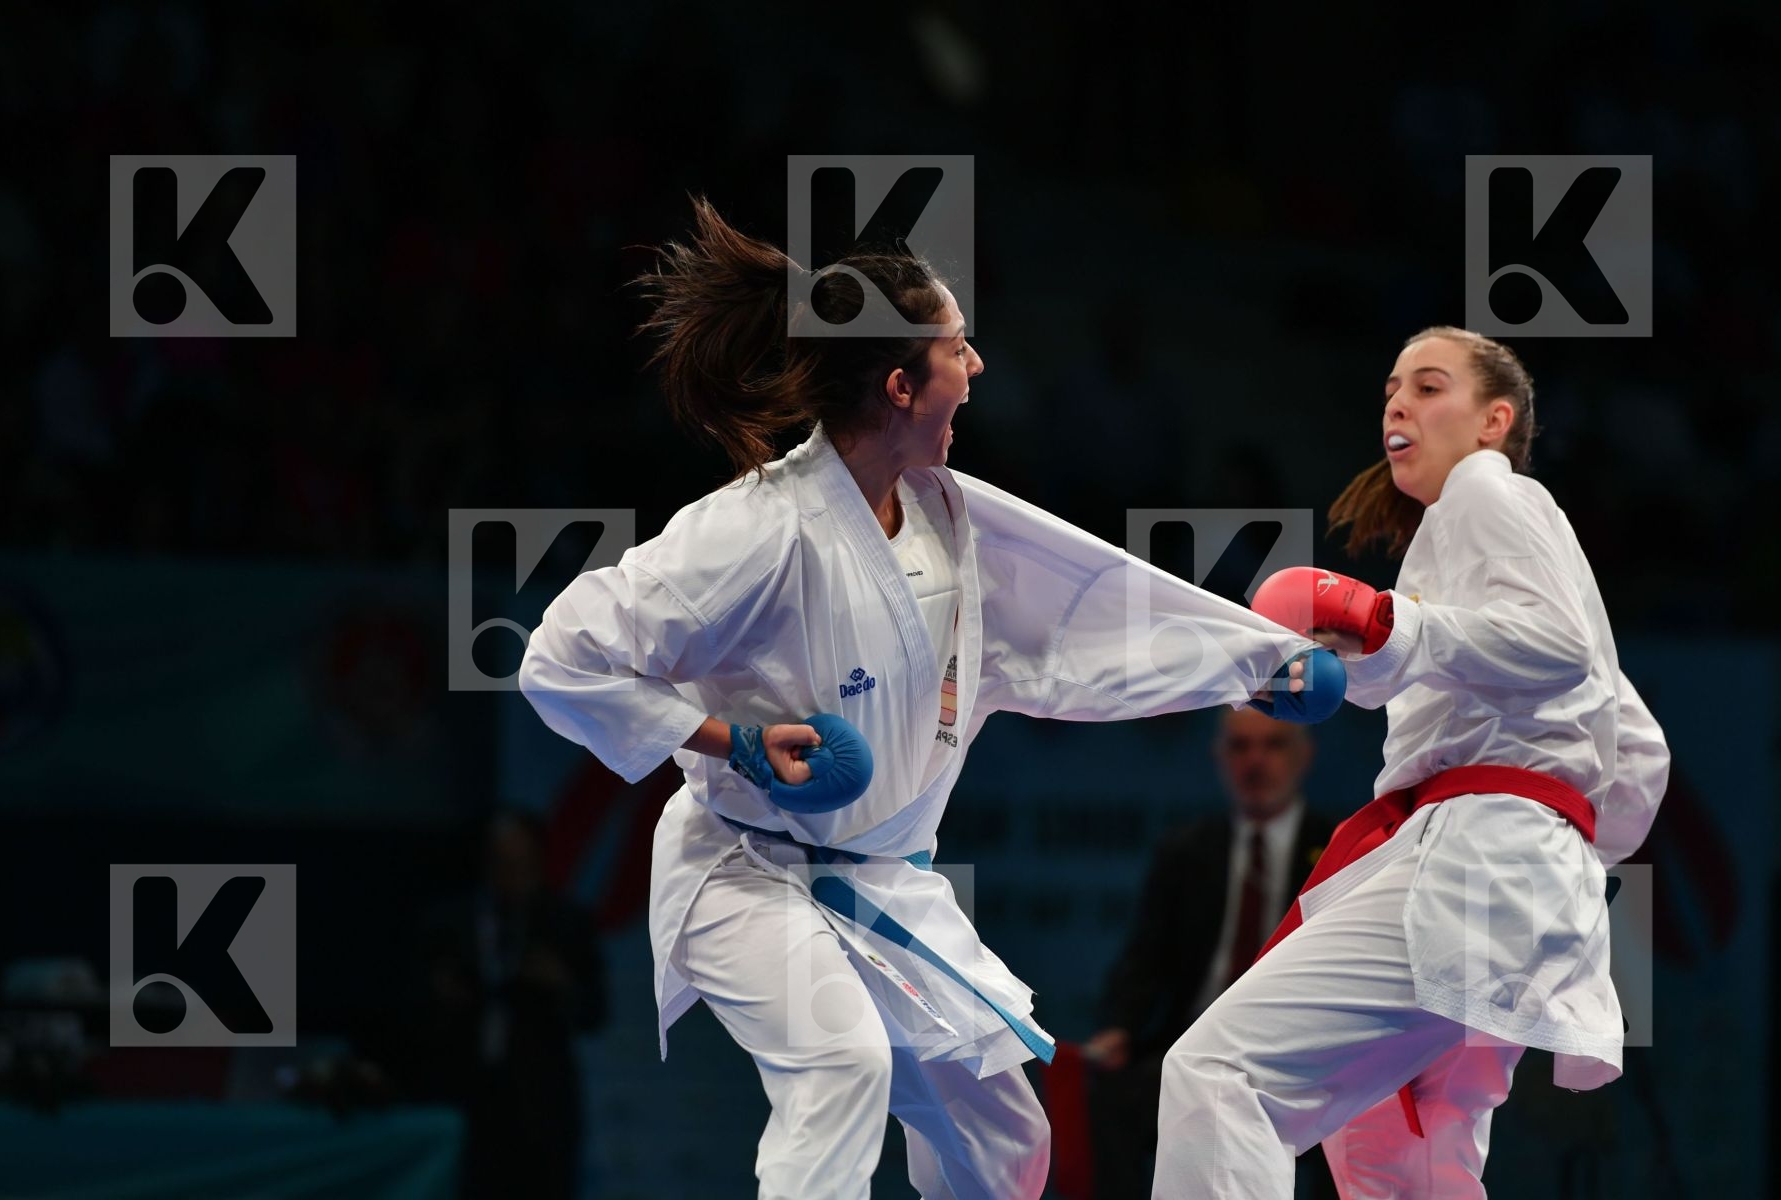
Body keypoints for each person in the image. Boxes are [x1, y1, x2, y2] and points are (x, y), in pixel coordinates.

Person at [517, 196, 1341, 1200]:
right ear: (904, 385)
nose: (980, 368)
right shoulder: (756, 528)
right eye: (960, 349)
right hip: (742, 875)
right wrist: (727, 739)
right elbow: (561, 656)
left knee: (1007, 1143)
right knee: (840, 1067)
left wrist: (1257, 661)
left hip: (883, 886)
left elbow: (1096, 613)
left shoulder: (952, 520)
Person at [1153, 327, 1670, 1198]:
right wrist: (1563, 857)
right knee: (1405, 1163)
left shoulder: (1487, 492)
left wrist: (1395, 627)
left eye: (1431, 387)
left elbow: (1556, 649)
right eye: (1392, 387)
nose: (1398, 403)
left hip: (1482, 857)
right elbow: (1638, 750)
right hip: (1516, 871)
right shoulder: (1482, 541)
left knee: (1220, 1073)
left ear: (1493, 421)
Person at [1085, 707, 1335, 1198]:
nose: (1255, 761)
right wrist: (1119, 1028)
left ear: (1305, 755)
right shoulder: (1186, 851)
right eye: (1240, 747)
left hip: (1306, 1058)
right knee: (1115, 1092)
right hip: (1193, 1050)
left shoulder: (1337, 849)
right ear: (1219, 757)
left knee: (1361, 1116)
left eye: (1274, 745)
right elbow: (1145, 960)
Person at [411, 811, 608, 1200]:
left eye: (522, 864)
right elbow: (407, 1008)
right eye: (502, 863)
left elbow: (596, 1012)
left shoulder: (566, 923)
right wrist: (441, 996)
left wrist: (563, 985)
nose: (512, 876)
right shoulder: (448, 923)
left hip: (542, 1103)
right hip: (462, 1094)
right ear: (485, 863)